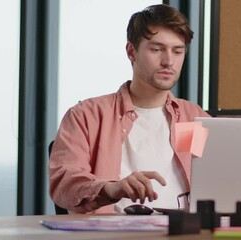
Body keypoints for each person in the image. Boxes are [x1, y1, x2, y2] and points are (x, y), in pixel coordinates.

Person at [49, 4, 210, 214]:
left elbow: (215, 178)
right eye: (156, 49)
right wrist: (110, 188)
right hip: (112, 233)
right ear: (131, 52)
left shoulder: (193, 118)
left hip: (183, 232)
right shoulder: (87, 116)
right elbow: (64, 184)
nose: (168, 61)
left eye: (177, 51)